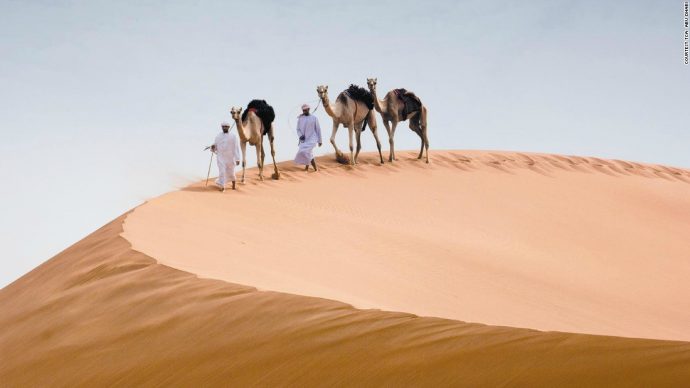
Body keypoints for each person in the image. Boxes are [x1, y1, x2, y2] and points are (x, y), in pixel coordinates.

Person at [211, 122, 241, 191]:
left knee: (231, 172)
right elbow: (215, 146)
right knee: (222, 172)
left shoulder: (233, 136)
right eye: (223, 126)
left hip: (230, 157)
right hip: (221, 157)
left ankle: (233, 186)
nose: (225, 128)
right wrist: (213, 147)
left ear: (228, 127)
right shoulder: (218, 136)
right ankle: (222, 187)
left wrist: (237, 159)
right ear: (222, 127)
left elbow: (236, 147)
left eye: (226, 126)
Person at [294, 104, 322, 171]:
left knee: (305, 152)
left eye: (305, 110)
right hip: (304, 140)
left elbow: (318, 129)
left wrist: (320, 141)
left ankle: (308, 168)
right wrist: (300, 135)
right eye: (303, 110)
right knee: (307, 153)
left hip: (312, 139)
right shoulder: (300, 119)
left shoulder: (314, 118)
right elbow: (298, 129)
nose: (304, 111)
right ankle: (315, 169)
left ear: (309, 109)